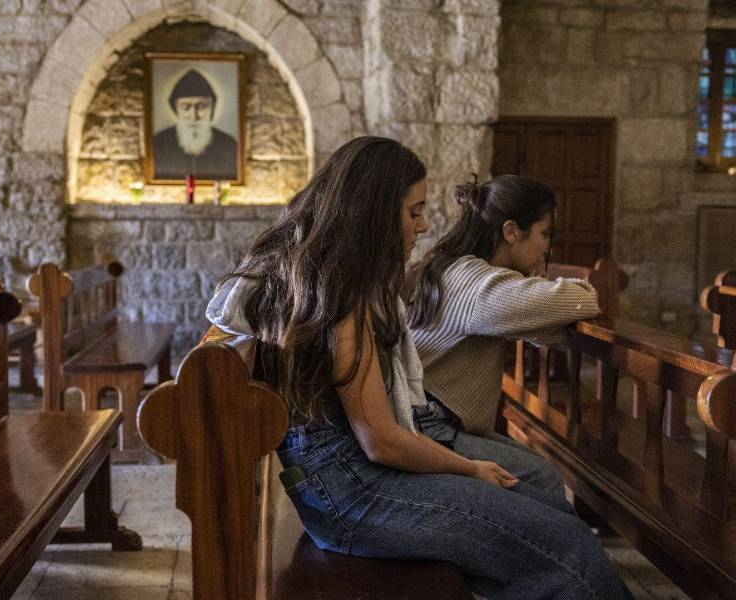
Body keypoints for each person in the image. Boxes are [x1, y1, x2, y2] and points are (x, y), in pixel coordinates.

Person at [206, 137, 632, 599]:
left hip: (336, 486)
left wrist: (471, 469)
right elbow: (381, 442)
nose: (423, 225)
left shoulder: (317, 279)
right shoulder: (344, 299)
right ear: (373, 212)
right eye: (413, 212)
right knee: (566, 544)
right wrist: (470, 468)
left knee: (544, 508)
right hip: (354, 497)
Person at [405, 175, 600, 495]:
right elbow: (580, 301)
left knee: (543, 471)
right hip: (429, 425)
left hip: (429, 418)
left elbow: (541, 331)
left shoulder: (457, 268)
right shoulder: (476, 284)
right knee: (545, 478)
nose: (547, 247)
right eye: (544, 234)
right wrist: (583, 289)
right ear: (511, 232)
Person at [152, 69, 238, 181]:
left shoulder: (229, 146)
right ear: (175, 109)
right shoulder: (159, 144)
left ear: (212, 109)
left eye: (201, 106)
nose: (194, 116)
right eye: (185, 107)